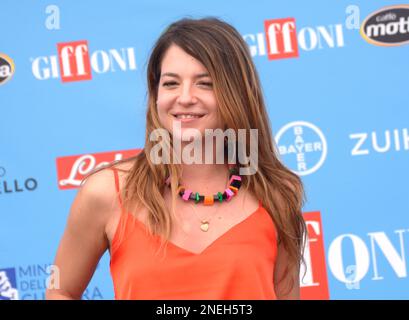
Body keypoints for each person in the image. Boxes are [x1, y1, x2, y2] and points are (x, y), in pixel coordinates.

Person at [46, 17, 307, 300]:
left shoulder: (277, 195)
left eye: (205, 83)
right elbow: (61, 290)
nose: (185, 97)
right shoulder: (107, 192)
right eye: (171, 83)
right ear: (155, 95)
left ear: (237, 93)